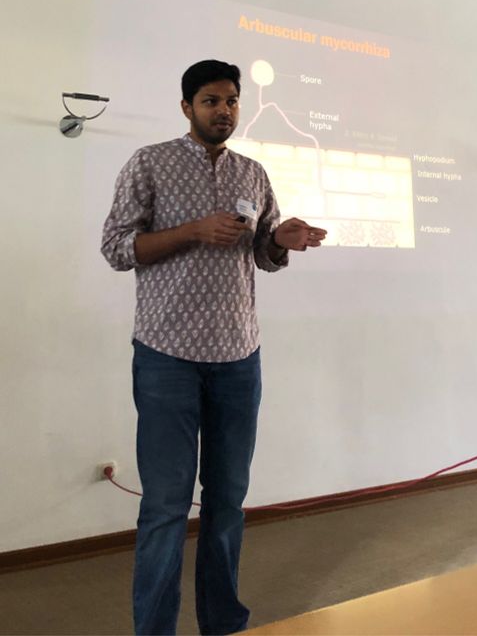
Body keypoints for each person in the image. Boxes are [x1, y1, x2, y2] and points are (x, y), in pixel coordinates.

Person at [101, 59, 326, 636]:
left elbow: (262, 253)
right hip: (167, 354)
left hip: (238, 356)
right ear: (187, 107)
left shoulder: (253, 172)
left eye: (230, 101)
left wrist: (281, 240)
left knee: (228, 501)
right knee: (166, 506)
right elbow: (117, 248)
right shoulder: (149, 163)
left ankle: (223, 624)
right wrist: (192, 231)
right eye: (210, 101)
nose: (223, 111)